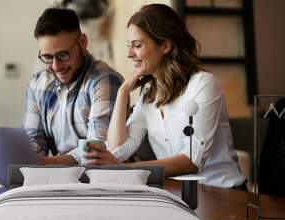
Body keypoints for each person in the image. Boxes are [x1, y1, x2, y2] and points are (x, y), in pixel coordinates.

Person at [83, 4, 245, 188]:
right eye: (129, 46)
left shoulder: (203, 85)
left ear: (165, 45)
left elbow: (192, 160)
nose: (130, 54)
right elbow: (118, 150)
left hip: (224, 193)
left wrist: (124, 170)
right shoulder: (148, 94)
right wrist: (123, 92)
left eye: (137, 45)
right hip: (178, 194)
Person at [23, 8, 122, 165]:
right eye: (47, 57)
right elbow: (33, 141)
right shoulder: (38, 83)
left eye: (63, 55)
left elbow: (97, 151)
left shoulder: (104, 81)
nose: (56, 66)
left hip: (102, 181)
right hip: (61, 178)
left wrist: (46, 163)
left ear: (82, 42)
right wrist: (24, 158)